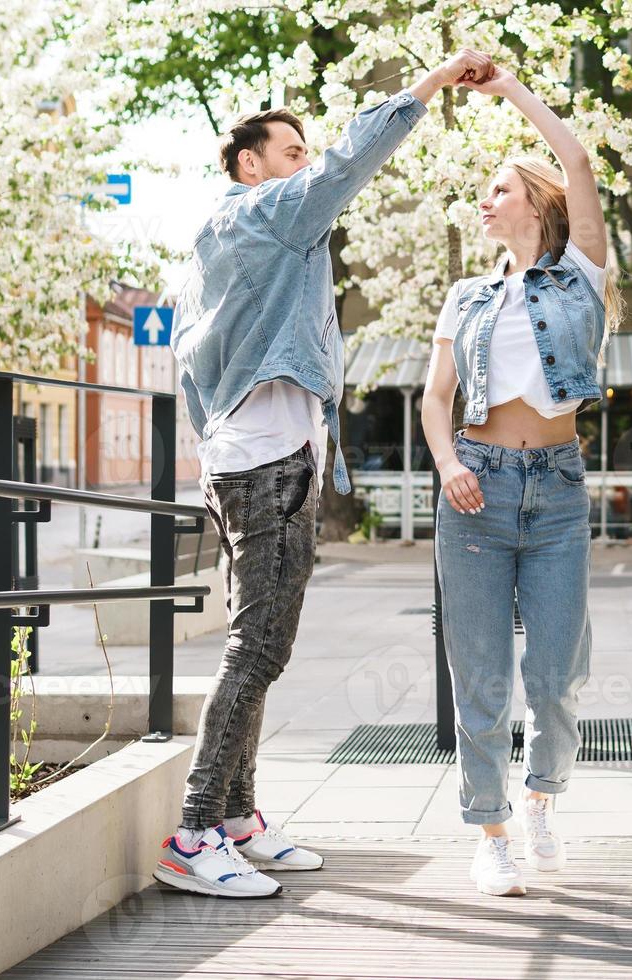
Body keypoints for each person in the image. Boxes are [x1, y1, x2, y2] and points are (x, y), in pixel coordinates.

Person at [157, 48, 497, 900]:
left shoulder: (235, 239)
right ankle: (194, 833)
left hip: (266, 455)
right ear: (251, 165)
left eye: (305, 153)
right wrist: (436, 76)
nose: (307, 164)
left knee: (260, 646)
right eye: (291, 151)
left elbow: (193, 364)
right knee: (258, 648)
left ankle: (236, 820)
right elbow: (355, 157)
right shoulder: (266, 215)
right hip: (266, 461)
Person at [420, 65, 623, 898]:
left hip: (558, 491)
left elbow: (578, 162)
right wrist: (449, 465)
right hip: (476, 491)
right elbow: (435, 401)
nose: (483, 200)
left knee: (556, 676)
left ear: (534, 204)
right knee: (481, 676)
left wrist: (508, 92)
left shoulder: (583, 275)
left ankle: (541, 799)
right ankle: (491, 831)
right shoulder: (465, 297)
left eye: (496, 188)